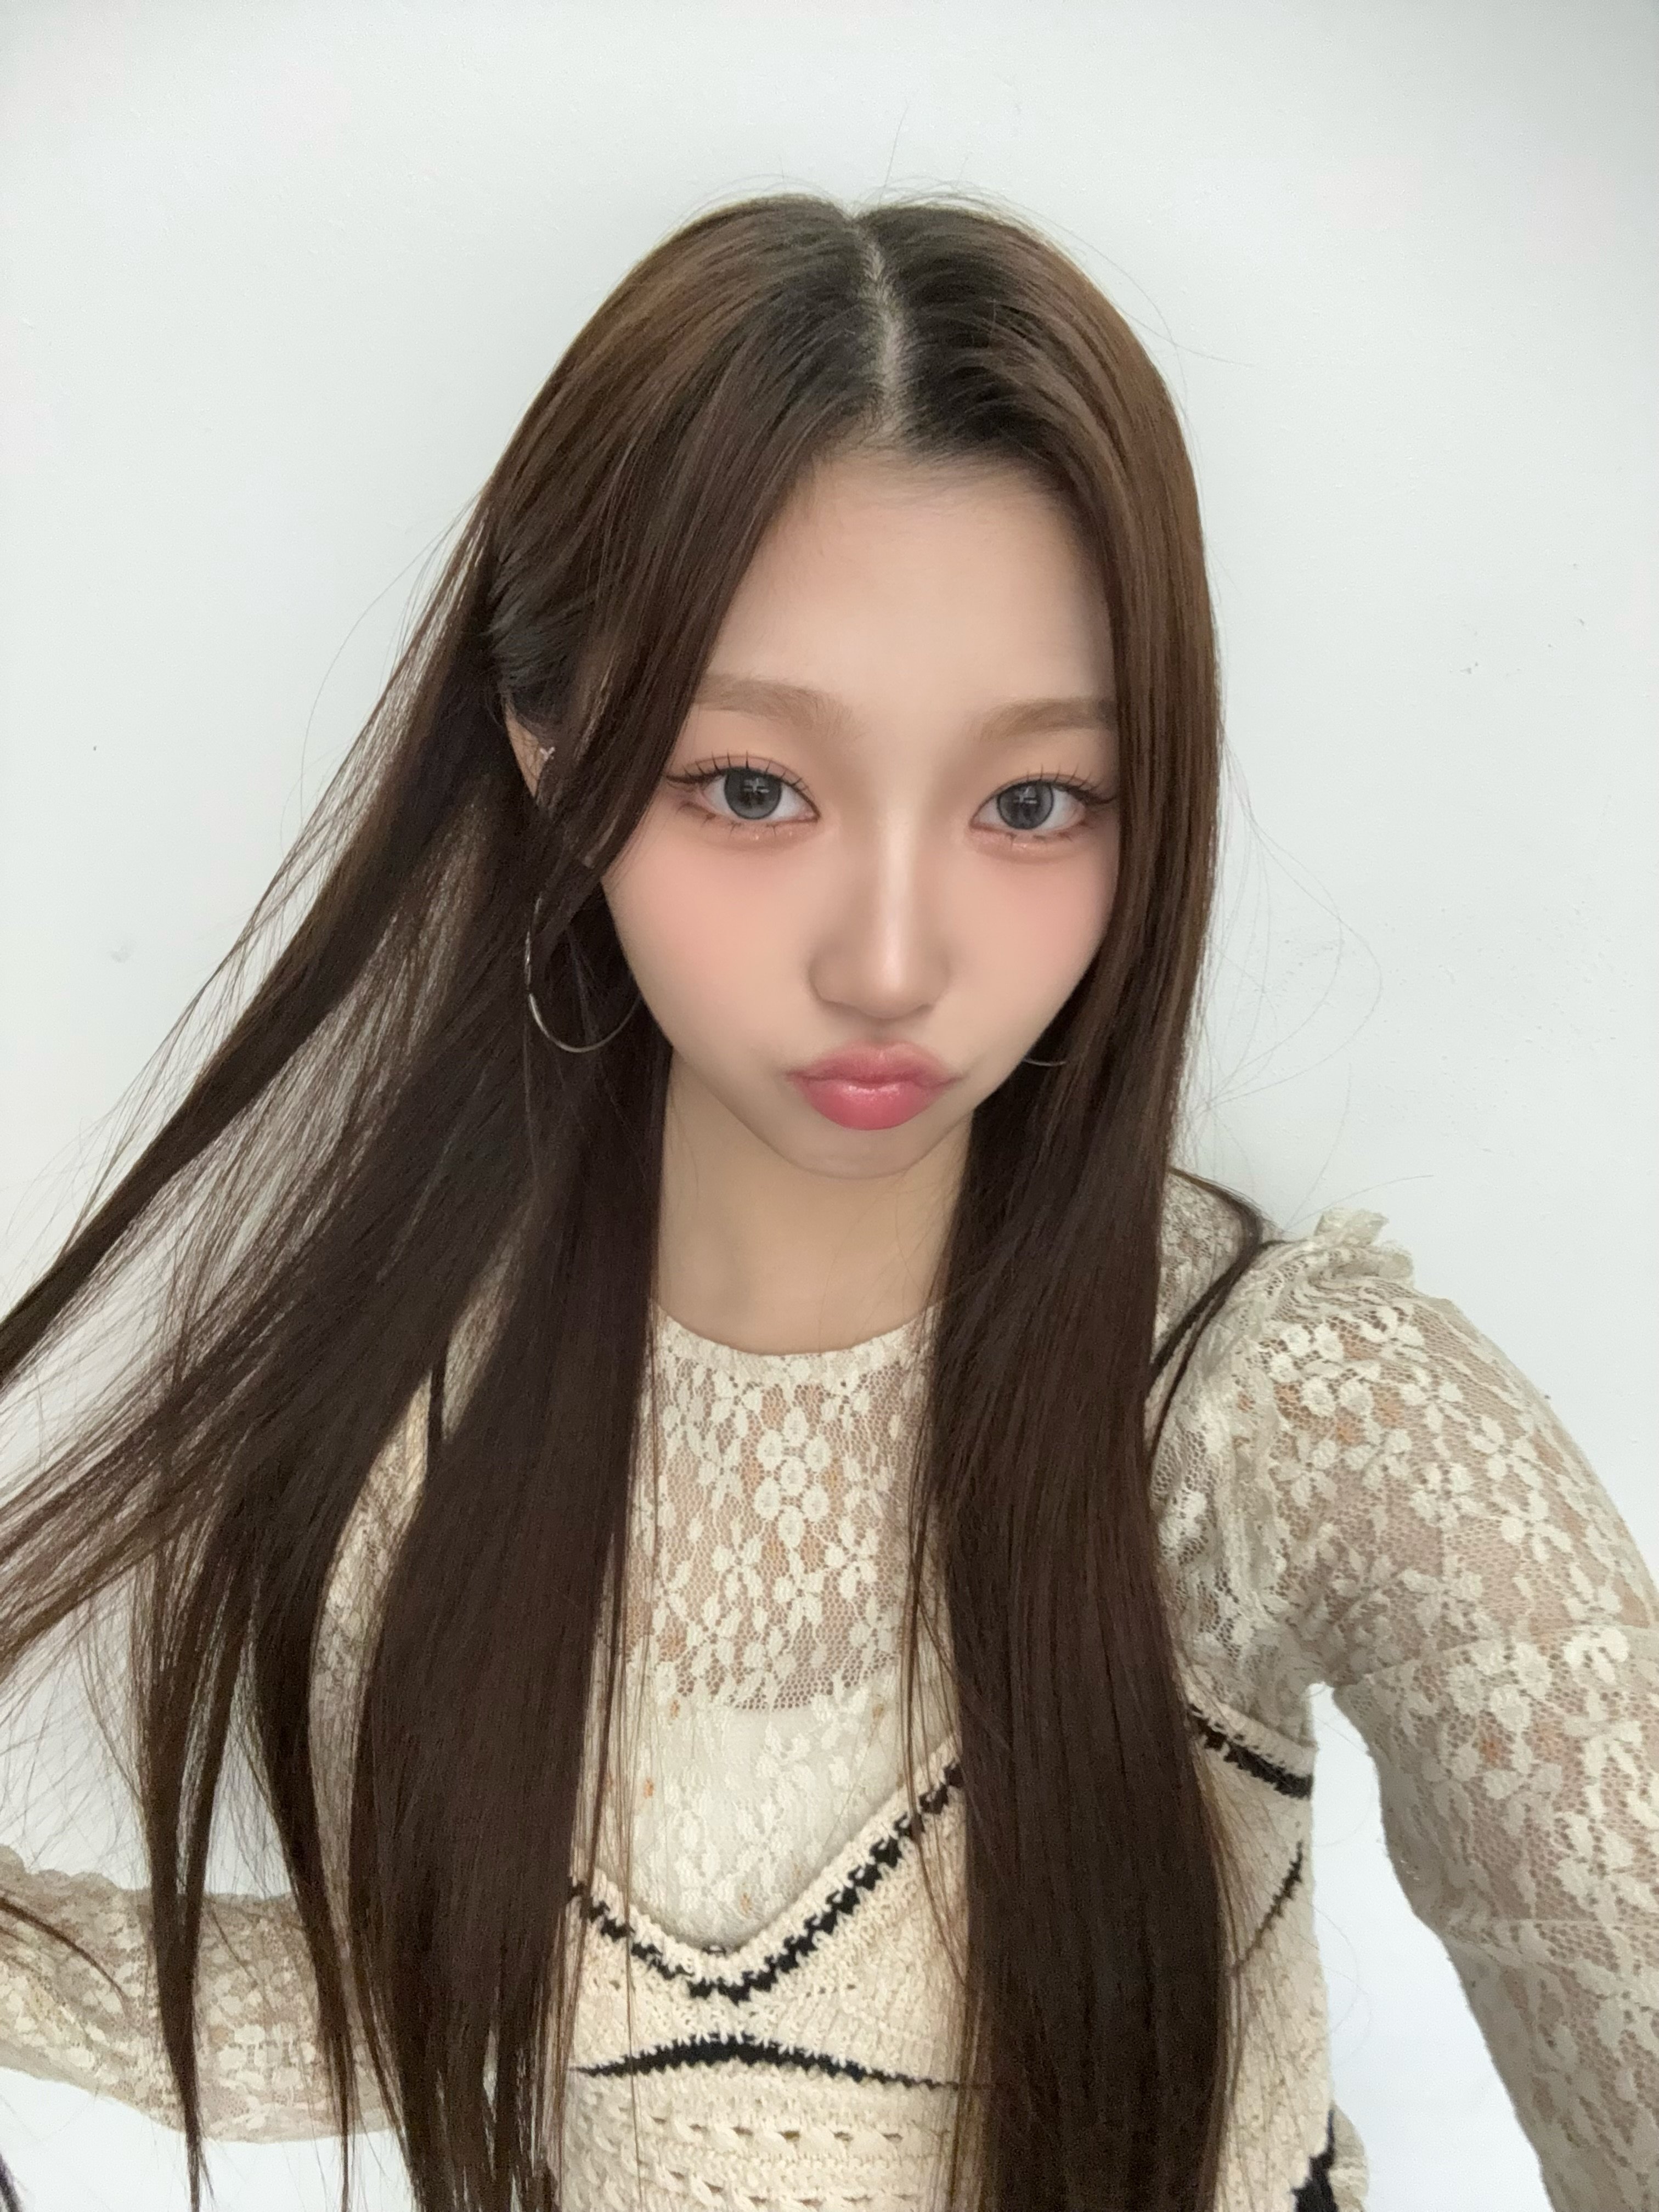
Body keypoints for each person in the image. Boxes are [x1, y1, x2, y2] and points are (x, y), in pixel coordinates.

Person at [0, 189, 1652, 2212]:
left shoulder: (1291, 1422)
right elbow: (464, 2005)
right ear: (549, 755)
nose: (889, 961)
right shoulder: (416, 1441)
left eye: (1031, 803)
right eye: (753, 788)